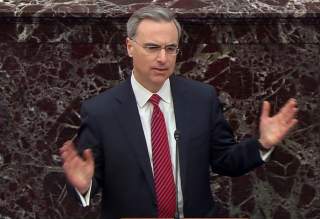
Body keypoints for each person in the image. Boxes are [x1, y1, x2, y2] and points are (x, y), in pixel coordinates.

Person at [59, 5, 298, 219]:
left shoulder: (202, 99)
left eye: (170, 48)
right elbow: (88, 178)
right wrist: (83, 185)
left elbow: (225, 160)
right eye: (152, 47)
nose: (162, 58)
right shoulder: (101, 111)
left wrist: (262, 144)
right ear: (130, 47)